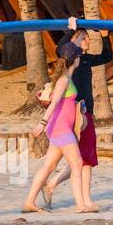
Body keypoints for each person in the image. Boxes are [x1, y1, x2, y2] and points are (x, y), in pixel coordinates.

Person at [42, 19, 111, 211]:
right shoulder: (69, 60)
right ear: (74, 41)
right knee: (76, 159)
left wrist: (105, 36)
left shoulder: (86, 59)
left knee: (85, 158)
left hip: (86, 112)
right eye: (83, 37)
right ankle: (60, 190)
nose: (87, 40)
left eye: (88, 37)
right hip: (73, 115)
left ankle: (80, 198)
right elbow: (59, 50)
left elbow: (107, 56)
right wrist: (69, 30)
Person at [23, 41, 93, 214]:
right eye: (78, 55)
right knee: (77, 163)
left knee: (49, 166)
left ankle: (29, 202)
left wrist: (78, 108)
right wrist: (42, 123)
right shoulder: (63, 80)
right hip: (60, 129)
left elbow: (64, 103)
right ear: (75, 59)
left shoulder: (67, 78)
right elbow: (54, 103)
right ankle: (80, 205)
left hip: (60, 128)